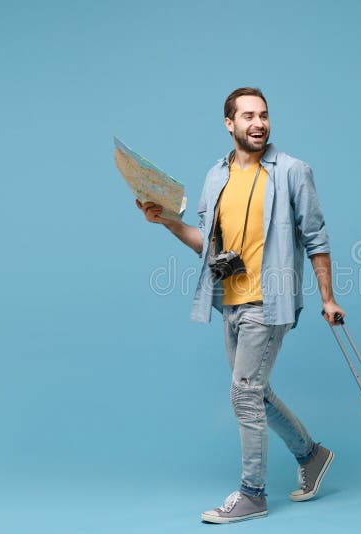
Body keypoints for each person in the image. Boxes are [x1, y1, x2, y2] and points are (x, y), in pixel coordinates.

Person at [136, 87, 345, 524]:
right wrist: (166, 221)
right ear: (229, 123)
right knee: (256, 392)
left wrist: (327, 297)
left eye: (264, 115)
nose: (258, 123)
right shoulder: (217, 176)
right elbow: (206, 245)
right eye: (248, 116)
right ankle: (311, 455)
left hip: (270, 302)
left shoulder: (291, 171)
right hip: (229, 301)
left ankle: (253, 493)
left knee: (243, 394)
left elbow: (316, 238)